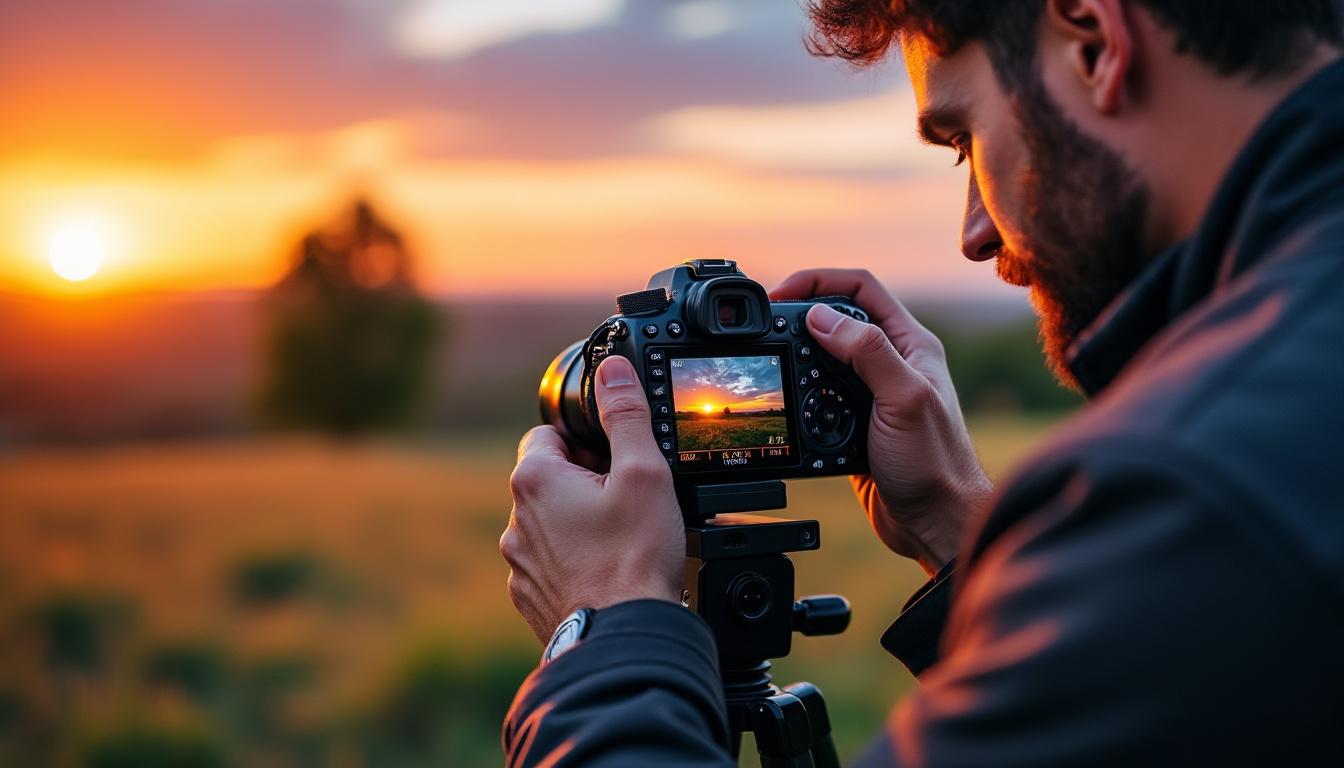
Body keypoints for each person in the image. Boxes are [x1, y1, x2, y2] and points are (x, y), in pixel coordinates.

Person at [499, 1, 1344, 764]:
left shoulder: (1199, 489)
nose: (976, 233)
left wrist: (603, 632)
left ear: (1093, 41)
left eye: (965, 139)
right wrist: (956, 522)